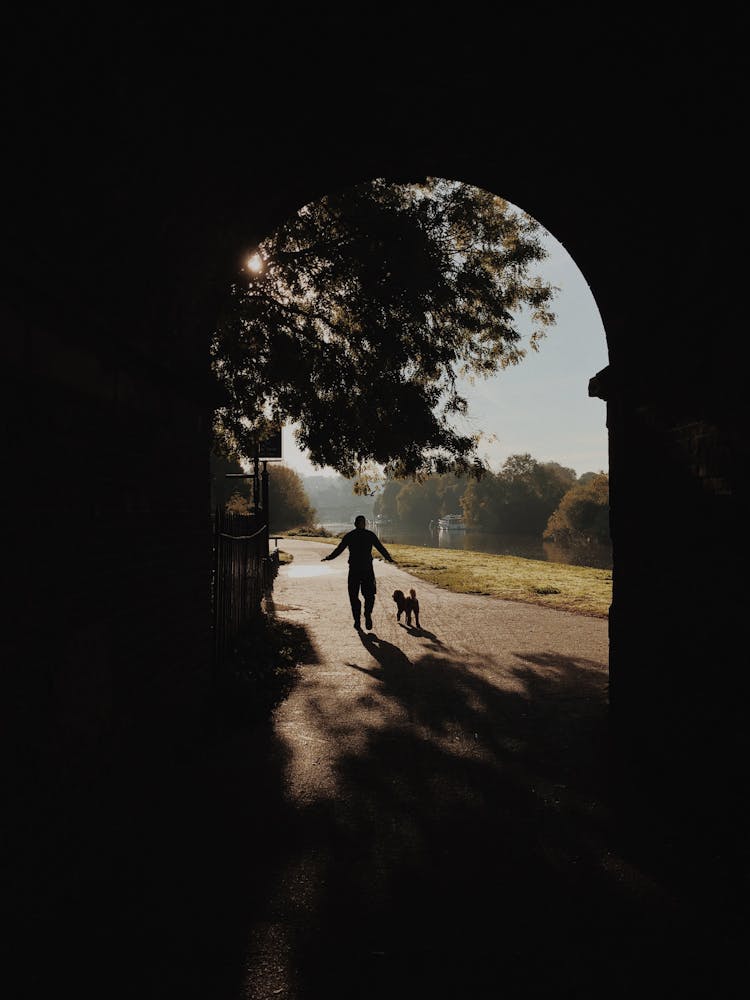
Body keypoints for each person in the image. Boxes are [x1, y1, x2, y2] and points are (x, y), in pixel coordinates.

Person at [321, 515, 395, 630]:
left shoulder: (350, 536)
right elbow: (380, 548)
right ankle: (367, 614)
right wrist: (389, 558)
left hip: (354, 569)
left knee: (353, 595)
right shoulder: (370, 535)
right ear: (364, 524)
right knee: (369, 595)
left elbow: (339, 549)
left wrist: (329, 557)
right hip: (367, 569)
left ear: (355, 524)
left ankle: (357, 620)